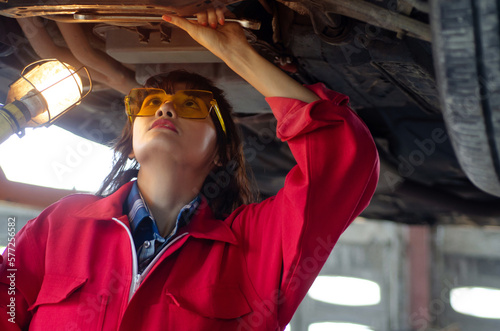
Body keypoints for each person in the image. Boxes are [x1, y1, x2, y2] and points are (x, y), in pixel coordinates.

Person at [0, 8, 379, 331]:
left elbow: (344, 159)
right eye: (150, 102)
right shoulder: (59, 225)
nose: (165, 109)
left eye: (192, 105)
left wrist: (237, 54)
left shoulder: (253, 250)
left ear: (219, 152)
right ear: (131, 137)